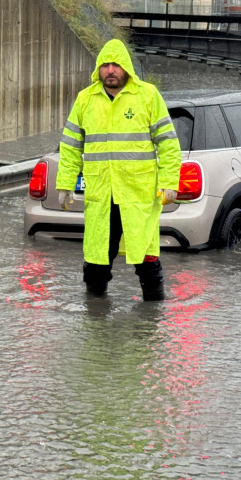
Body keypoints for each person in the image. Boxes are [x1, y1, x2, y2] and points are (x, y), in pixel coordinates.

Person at [55, 39, 181, 301]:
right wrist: (66, 184)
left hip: (138, 196)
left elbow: (168, 143)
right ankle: (96, 321)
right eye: (105, 65)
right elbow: (70, 146)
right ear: (98, 69)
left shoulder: (147, 96)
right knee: (97, 259)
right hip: (101, 195)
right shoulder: (85, 100)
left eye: (115, 65)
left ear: (126, 68)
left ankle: (152, 320)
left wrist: (170, 182)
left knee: (146, 258)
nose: (110, 70)